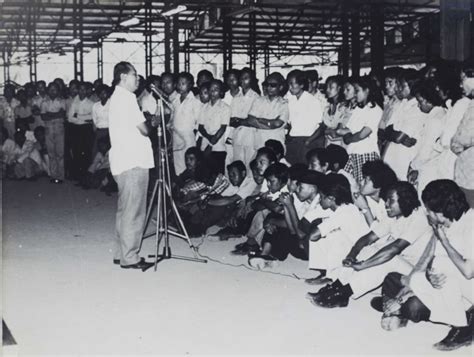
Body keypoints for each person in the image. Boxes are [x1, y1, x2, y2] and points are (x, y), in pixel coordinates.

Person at [374, 180, 473, 351]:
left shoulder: (470, 224)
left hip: (468, 288)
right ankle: (403, 307)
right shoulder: (443, 224)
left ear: (440, 211)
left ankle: (462, 329)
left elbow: (468, 271)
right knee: (409, 279)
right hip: (451, 289)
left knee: (415, 306)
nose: (426, 213)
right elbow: (425, 262)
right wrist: (403, 293)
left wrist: (445, 241)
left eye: (428, 210)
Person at [308, 181, 431, 309]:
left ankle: (344, 293)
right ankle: (337, 286)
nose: (387, 204)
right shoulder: (394, 215)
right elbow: (367, 238)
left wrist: (363, 265)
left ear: (405, 201)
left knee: (388, 259)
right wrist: (352, 255)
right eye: (386, 200)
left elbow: (395, 248)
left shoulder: (419, 218)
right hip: (402, 263)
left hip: (417, 271)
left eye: (391, 200)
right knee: (370, 248)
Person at [108, 61, 155, 269]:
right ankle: (130, 256)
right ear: (123, 77)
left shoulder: (117, 98)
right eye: (135, 75)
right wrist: (152, 121)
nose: (138, 79)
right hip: (133, 162)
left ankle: (121, 253)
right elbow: (144, 130)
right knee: (134, 212)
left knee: (124, 210)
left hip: (122, 161)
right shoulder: (127, 99)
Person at [248, 170, 324, 269]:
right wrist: (286, 206)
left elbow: (300, 234)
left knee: (282, 229)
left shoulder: (320, 206)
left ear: (313, 189)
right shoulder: (306, 202)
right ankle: (266, 255)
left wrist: (290, 205)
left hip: (311, 250)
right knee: (278, 220)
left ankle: (269, 254)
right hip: (301, 243)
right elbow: (292, 228)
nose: (297, 190)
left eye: (301, 188)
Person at [336, 76, 383, 184]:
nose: (355, 94)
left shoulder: (374, 109)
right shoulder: (358, 109)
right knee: (347, 183)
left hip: (366, 153)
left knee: (363, 186)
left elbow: (363, 134)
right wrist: (347, 135)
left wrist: (348, 138)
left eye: (357, 91)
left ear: (367, 90)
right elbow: (348, 129)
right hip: (352, 152)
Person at [383, 69, 425, 180]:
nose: (399, 88)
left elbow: (397, 137)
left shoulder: (417, 108)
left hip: (404, 159)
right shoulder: (403, 104)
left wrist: (395, 136)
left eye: (402, 85)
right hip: (392, 157)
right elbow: (386, 130)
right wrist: (396, 136)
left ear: (412, 86)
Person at [407, 79, 447, 195]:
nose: (419, 105)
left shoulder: (435, 119)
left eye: (420, 101)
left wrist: (412, 166)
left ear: (430, 100)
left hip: (429, 169)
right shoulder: (437, 114)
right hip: (428, 167)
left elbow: (426, 149)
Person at [286, 69, 323, 164]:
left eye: (292, 84)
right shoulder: (290, 101)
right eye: (288, 84)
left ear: (301, 85)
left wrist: (308, 141)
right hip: (293, 142)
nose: (289, 87)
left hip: (308, 142)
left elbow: (321, 126)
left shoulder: (313, 101)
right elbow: (290, 124)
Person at [245, 72, 289, 150]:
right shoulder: (258, 100)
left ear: (281, 87)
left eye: (273, 85)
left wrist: (259, 120)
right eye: (267, 84)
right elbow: (250, 120)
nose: (269, 87)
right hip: (259, 144)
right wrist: (270, 124)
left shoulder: (284, 104)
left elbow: (277, 123)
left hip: (276, 146)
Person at [451, 65, 474, 206]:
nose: (460, 84)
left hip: (470, 173)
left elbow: (462, 138)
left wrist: (456, 144)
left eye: (463, 79)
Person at [197, 79, 230, 174]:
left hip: (218, 148)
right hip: (204, 146)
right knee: (205, 174)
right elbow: (201, 127)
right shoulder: (204, 107)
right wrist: (208, 138)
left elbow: (222, 129)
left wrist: (211, 145)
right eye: (211, 89)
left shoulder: (225, 108)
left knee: (217, 176)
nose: (212, 92)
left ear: (221, 92)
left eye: (216, 89)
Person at [171, 72, 201, 176]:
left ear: (190, 85)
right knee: (178, 163)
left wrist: (195, 138)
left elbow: (198, 122)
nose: (180, 86)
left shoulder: (195, 102)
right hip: (176, 137)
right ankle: (181, 188)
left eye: (183, 83)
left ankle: (190, 187)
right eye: (178, 83)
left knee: (189, 163)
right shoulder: (175, 100)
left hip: (188, 138)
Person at [230, 67, 261, 170]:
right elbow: (232, 119)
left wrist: (240, 121)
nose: (243, 81)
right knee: (237, 165)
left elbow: (253, 121)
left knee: (249, 166)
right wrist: (240, 121)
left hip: (250, 138)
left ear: (251, 80)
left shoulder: (256, 98)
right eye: (241, 78)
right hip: (237, 137)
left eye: (246, 78)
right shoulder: (236, 98)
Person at [67, 81, 95, 180]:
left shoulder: (91, 103)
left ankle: (85, 175)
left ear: (87, 91)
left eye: (84, 89)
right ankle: (77, 175)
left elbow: (92, 118)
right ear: (78, 90)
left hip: (86, 129)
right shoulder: (75, 102)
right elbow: (70, 118)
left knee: (86, 152)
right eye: (80, 89)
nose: (82, 92)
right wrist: (85, 117)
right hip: (76, 129)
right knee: (76, 151)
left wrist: (78, 116)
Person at [40, 82, 66, 184]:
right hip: (48, 130)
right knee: (51, 153)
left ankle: (61, 176)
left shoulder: (62, 101)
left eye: (55, 89)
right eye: (50, 89)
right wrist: (56, 114)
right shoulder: (44, 102)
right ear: (48, 90)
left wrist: (49, 114)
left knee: (60, 153)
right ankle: (53, 175)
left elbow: (62, 114)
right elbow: (43, 116)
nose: (52, 91)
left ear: (58, 91)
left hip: (59, 129)